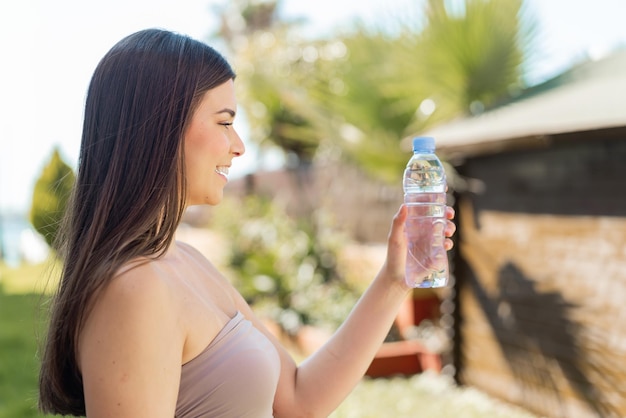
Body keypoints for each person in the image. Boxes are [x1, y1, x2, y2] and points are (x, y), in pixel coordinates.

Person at [38, 28, 456, 418]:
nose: (239, 147)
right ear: (159, 129)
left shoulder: (184, 261)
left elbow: (299, 398)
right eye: (224, 122)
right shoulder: (134, 289)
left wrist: (394, 280)